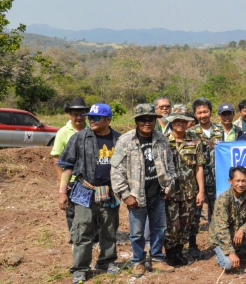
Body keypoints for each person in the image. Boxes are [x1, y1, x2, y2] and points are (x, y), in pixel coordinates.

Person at [56, 103, 121, 284]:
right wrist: (62, 192)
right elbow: (67, 166)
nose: (91, 120)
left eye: (96, 118)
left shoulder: (119, 139)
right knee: (82, 231)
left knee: (109, 228)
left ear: (108, 120)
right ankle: (80, 269)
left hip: (110, 192)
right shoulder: (79, 138)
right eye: (90, 117)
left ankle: (106, 261)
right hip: (84, 191)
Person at [110, 104, 176, 277]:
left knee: (159, 228)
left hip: (158, 193)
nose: (147, 123)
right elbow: (116, 170)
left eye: (150, 119)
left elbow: (170, 165)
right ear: (137, 121)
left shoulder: (161, 139)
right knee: (137, 233)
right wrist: (125, 195)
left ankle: (156, 258)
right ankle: (138, 261)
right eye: (143, 120)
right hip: (136, 195)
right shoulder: (125, 140)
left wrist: (169, 186)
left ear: (155, 120)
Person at [164, 110, 205, 267]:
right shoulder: (163, 140)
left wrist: (201, 191)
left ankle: (179, 253)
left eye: (183, 121)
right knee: (171, 226)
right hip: (170, 193)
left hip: (189, 192)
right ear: (171, 122)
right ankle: (170, 255)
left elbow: (198, 167)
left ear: (188, 123)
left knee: (185, 224)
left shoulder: (195, 141)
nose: (180, 124)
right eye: (176, 121)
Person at [50, 97, 93, 241]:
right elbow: (56, 157)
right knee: (71, 210)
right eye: (76, 114)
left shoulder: (91, 130)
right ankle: (75, 238)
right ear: (69, 115)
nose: (79, 117)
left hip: (89, 180)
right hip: (71, 179)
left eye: (82, 114)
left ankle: (93, 237)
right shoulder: (63, 132)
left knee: (91, 209)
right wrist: (61, 180)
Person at [188, 98, 224, 260]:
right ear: (195, 114)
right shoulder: (191, 132)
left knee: (217, 212)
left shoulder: (219, 130)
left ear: (210, 112)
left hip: (218, 179)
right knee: (195, 213)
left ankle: (217, 243)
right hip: (198, 180)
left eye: (205, 111)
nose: (203, 115)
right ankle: (192, 245)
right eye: (199, 112)